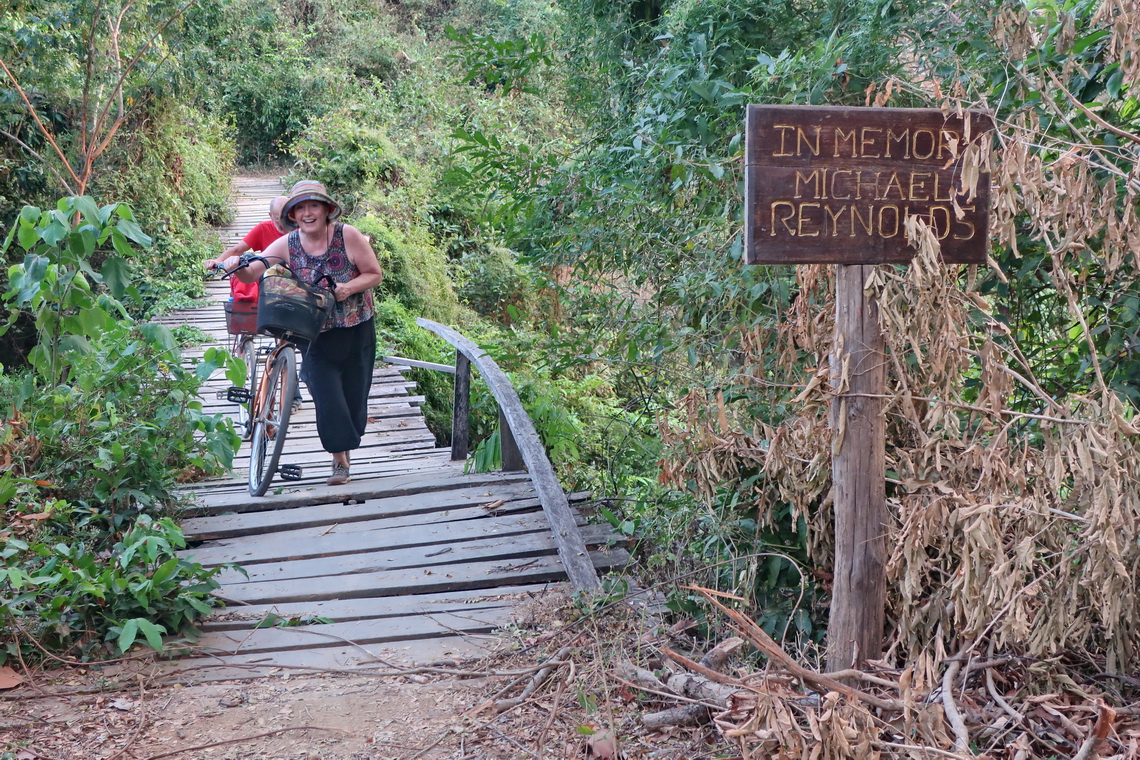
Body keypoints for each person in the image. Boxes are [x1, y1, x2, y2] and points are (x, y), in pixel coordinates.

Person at [218, 180, 383, 486]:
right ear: (292, 215)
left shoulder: (349, 236)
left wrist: (347, 287)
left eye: (314, 206)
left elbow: (374, 274)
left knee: (354, 400)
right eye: (300, 208)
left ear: (326, 210)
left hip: (357, 330)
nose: (307, 213)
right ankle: (339, 461)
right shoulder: (287, 244)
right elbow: (253, 271)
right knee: (326, 397)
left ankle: (348, 440)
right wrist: (235, 265)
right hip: (314, 334)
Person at [205, 195, 288, 302]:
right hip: (270, 282)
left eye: (287, 218)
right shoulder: (264, 228)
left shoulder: (303, 230)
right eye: (278, 219)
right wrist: (217, 261)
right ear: (271, 216)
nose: (283, 224)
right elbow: (237, 250)